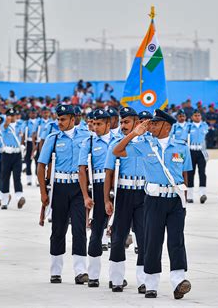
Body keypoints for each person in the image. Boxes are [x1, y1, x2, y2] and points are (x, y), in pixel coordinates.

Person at [112, 109, 192, 300]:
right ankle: (151, 284)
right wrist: (134, 133)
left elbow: (186, 174)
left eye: (155, 123)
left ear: (166, 126)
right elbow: (117, 150)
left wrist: (185, 197)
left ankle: (179, 281)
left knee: (176, 241)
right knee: (152, 241)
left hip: (175, 200)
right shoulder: (145, 144)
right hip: (153, 200)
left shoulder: (181, 147)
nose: (150, 126)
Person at [37, 104, 89, 285]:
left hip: (78, 188)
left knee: (79, 229)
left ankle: (81, 271)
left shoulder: (86, 136)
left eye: (63, 119)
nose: (59, 122)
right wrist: (43, 192)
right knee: (58, 230)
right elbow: (41, 165)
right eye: (58, 119)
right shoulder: (53, 138)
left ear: (72, 119)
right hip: (59, 187)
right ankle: (56, 271)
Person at [104, 107, 146, 293]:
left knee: (144, 238)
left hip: (144, 193)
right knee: (119, 236)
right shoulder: (116, 143)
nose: (122, 126)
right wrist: (107, 200)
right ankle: (117, 279)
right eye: (121, 122)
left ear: (137, 123)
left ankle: (144, 279)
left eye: (126, 122)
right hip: (123, 193)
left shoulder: (147, 143)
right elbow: (108, 174)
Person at [78, 109, 117, 287]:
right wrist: (86, 195)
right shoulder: (89, 142)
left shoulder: (118, 141)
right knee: (96, 232)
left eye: (99, 124)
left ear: (108, 124)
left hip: (117, 187)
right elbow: (82, 170)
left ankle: (116, 276)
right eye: (94, 124)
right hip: (98, 187)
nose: (95, 127)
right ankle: (93, 275)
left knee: (117, 233)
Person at [0, 108, 26, 209]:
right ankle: (5, 200)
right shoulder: (4, 125)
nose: (12, 117)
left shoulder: (20, 125)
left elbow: (22, 136)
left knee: (17, 176)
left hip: (17, 153)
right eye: (9, 115)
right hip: (7, 153)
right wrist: (7, 122)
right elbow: (4, 127)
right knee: (5, 177)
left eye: (13, 115)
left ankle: (19, 197)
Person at [185, 109, 209, 204]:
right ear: (192, 117)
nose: (197, 117)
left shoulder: (204, 125)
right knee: (191, 173)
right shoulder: (189, 126)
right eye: (195, 115)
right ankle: (190, 196)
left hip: (201, 152)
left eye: (199, 115)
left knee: (202, 172)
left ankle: (202, 194)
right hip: (191, 151)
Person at [24, 108, 39, 186]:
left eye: (34, 113)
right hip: (28, 142)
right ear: (29, 114)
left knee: (37, 161)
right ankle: (28, 179)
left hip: (37, 142)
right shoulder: (26, 122)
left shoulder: (38, 121)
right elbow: (23, 133)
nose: (33, 114)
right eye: (31, 113)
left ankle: (37, 179)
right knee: (28, 161)